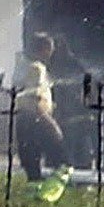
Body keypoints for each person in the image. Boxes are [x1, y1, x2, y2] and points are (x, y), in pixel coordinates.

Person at [16, 32, 66, 180]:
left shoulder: (25, 66)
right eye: (50, 48)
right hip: (35, 119)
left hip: (26, 120)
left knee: (32, 160)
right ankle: (52, 189)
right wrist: (50, 122)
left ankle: (36, 190)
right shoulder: (37, 69)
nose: (51, 53)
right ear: (44, 49)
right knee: (60, 156)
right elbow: (34, 98)